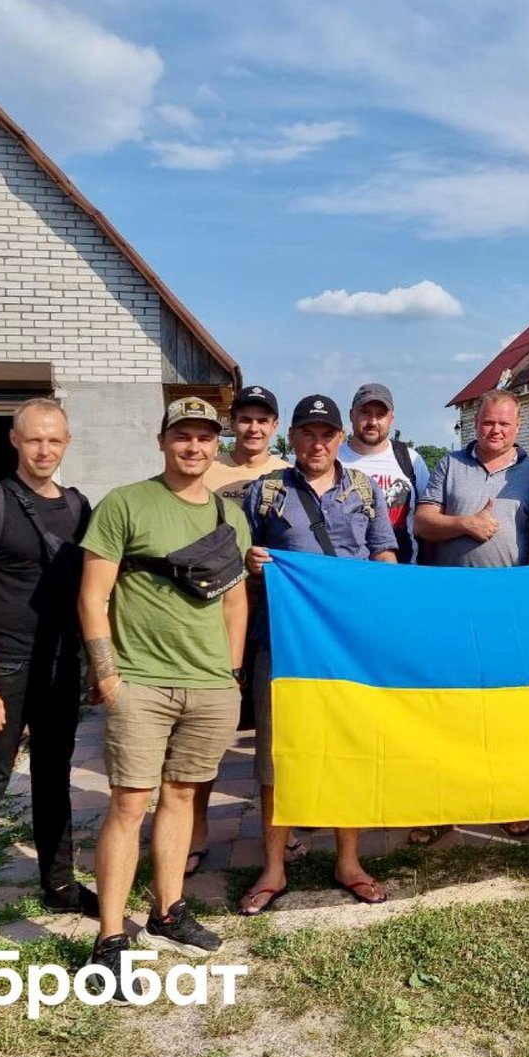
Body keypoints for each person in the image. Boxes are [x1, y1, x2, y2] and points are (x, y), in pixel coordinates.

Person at [78, 397, 251, 992]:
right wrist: (106, 675)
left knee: (181, 797)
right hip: (141, 682)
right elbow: (93, 595)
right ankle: (110, 935)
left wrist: (229, 673)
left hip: (209, 687)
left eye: (206, 437)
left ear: (216, 446)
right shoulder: (125, 503)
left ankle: (168, 910)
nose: (194, 447)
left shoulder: (230, 516)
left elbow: (235, 601)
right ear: (162, 440)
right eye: (184, 435)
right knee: (129, 804)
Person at [0, 398, 97, 952]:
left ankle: (59, 884)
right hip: (4, 667)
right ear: (14, 440)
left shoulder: (79, 507)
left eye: (54, 441)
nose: (44, 450)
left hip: (59, 668)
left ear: (67, 442)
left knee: (54, 780)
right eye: (34, 440)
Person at [238, 394, 400, 916]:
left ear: (338, 437)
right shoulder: (265, 493)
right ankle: (273, 867)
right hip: (282, 644)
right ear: (293, 435)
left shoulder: (365, 489)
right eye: (308, 433)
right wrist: (254, 563)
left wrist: (382, 579)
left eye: (327, 433)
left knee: (346, 750)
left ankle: (348, 861)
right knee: (275, 758)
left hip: (346, 648)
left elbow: (384, 551)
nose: (318, 442)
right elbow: (241, 557)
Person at [409, 387, 529, 844]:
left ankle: (506, 800)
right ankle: (442, 804)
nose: (496, 431)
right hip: (451, 606)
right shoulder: (450, 465)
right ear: (477, 423)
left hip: (506, 609)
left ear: (517, 426)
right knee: (449, 708)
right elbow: (422, 523)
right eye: (489, 422)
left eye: (505, 424)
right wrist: (464, 524)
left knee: (504, 710)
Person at [187, 384, 288, 875]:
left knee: (280, 733)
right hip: (213, 615)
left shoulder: (287, 476)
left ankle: (285, 829)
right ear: (233, 425)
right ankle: (196, 828)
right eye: (245, 419)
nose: (253, 428)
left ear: (275, 427)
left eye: (262, 420)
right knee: (210, 730)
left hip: (273, 618)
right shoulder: (208, 470)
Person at [339, 382, 430, 564]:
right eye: (365, 413)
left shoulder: (411, 460)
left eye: (380, 415)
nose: (373, 422)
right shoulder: (335, 460)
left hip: (402, 573)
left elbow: (427, 518)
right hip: (348, 571)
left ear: (391, 419)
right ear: (351, 415)